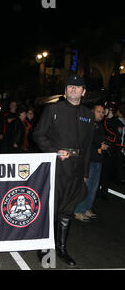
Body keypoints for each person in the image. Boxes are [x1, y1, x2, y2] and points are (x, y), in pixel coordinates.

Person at [33, 74, 94, 266]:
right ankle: (44, 247)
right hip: (57, 167)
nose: (73, 88)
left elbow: (89, 146)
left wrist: (85, 174)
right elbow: (38, 135)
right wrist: (53, 152)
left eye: (78, 86)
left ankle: (61, 249)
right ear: (65, 90)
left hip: (76, 170)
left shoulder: (88, 115)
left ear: (83, 92)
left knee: (67, 211)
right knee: (51, 207)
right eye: (70, 86)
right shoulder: (53, 109)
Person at [74, 104, 109, 222]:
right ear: (92, 112)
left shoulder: (100, 125)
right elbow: (84, 143)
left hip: (98, 159)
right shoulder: (87, 124)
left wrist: (103, 144)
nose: (102, 114)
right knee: (85, 186)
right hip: (88, 160)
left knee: (93, 187)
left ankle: (86, 207)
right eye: (99, 112)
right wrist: (99, 145)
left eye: (103, 112)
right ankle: (78, 210)